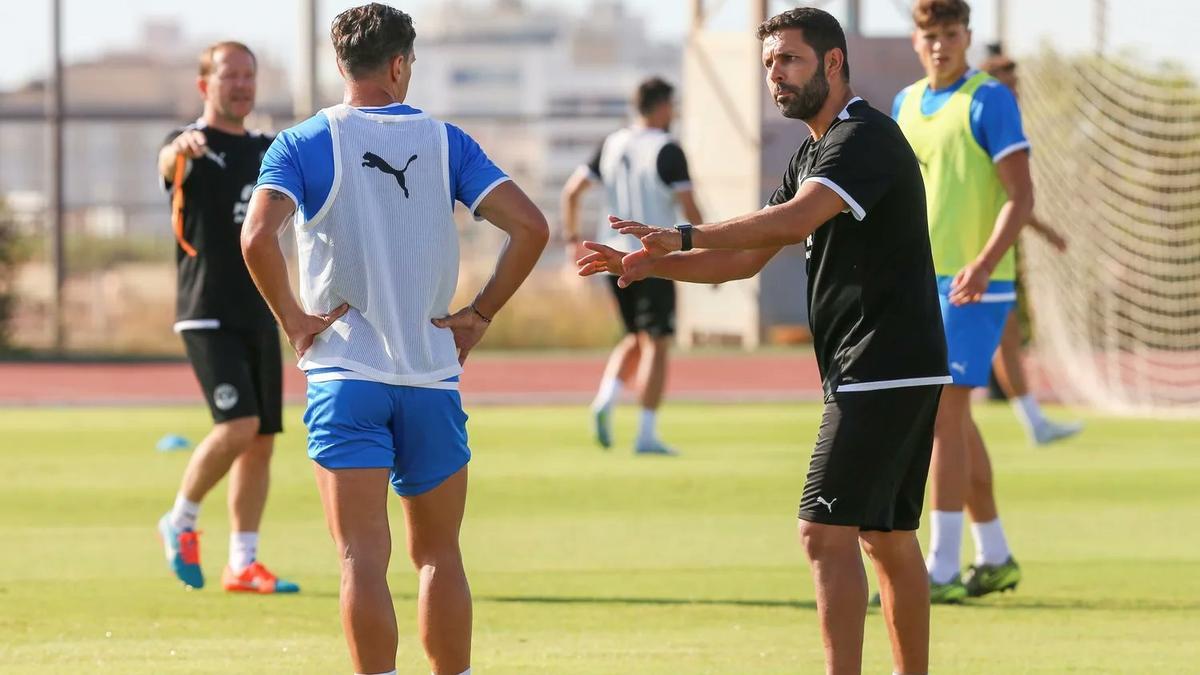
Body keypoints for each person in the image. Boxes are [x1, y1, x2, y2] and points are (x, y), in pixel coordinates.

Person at [579, 8, 948, 673]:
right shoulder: (816, 148)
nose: (774, 75)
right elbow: (748, 256)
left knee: (821, 532)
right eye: (768, 65)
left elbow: (797, 216)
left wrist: (684, 235)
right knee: (887, 539)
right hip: (894, 367)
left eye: (789, 61)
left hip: (881, 364)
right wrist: (649, 262)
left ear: (833, 64)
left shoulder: (861, 136)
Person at [241, 4, 548, 675]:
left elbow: (256, 237)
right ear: (401, 64)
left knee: (360, 557)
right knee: (439, 554)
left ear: (342, 64)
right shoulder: (448, 142)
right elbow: (531, 227)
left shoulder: (301, 142)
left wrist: (294, 318)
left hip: (346, 377)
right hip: (432, 377)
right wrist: (480, 313)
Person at [893, 0, 1031, 602]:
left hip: (976, 284)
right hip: (920, 284)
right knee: (954, 418)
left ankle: (942, 568)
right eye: (930, 35)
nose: (941, 45)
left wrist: (982, 260)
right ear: (916, 41)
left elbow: (1020, 196)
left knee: (943, 414)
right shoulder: (903, 104)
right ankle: (995, 554)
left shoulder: (989, 100)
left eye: (951, 34)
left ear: (967, 37)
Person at [155, 40, 297, 595]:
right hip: (207, 312)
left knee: (259, 439)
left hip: (261, 309)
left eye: (248, 76)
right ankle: (181, 519)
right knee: (236, 426)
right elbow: (167, 160)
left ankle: (243, 562)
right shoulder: (188, 146)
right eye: (229, 75)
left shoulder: (267, 150)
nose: (240, 84)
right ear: (204, 85)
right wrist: (179, 151)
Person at [560, 77, 703, 455]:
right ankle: (646, 433)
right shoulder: (667, 148)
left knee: (636, 337)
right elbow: (689, 209)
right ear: (660, 106)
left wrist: (572, 239)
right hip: (652, 257)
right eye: (671, 105)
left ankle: (605, 400)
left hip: (612, 257)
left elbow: (572, 190)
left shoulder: (613, 142)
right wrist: (706, 252)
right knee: (656, 341)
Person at [981, 46, 1085, 446]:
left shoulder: (1001, 125)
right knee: (996, 342)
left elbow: (1014, 199)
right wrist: (1046, 232)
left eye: (1016, 86)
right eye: (1008, 87)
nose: (1016, 94)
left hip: (993, 255)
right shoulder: (987, 125)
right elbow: (1016, 198)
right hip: (977, 256)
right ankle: (1032, 421)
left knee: (1005, 341)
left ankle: (1033, 421)